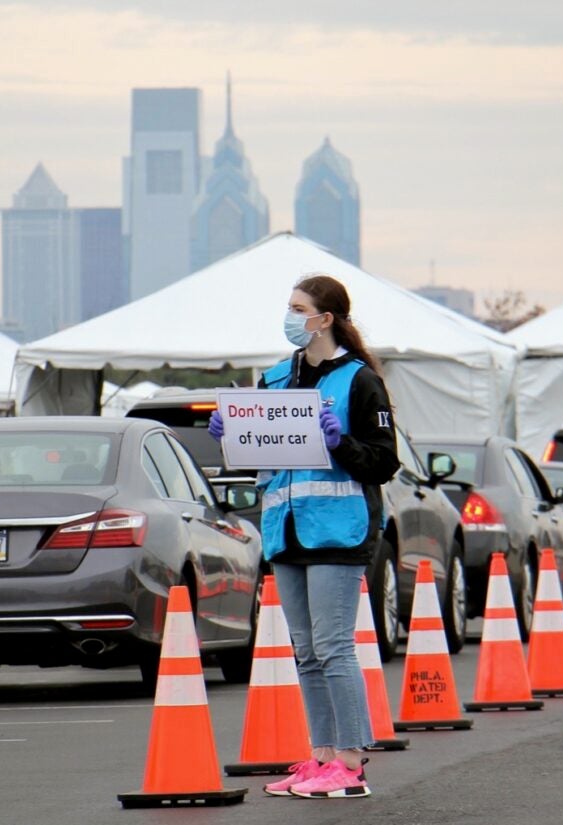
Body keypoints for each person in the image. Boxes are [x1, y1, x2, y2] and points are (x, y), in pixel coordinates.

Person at [208, 274, 398, 799]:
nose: (290, 316)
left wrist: (341, 444)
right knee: (306, 650)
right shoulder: (274, 379)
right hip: (286, 530)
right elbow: (265, 458)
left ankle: (352, 760)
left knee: (334, 647)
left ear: (326, 318)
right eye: (289, 306)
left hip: (338, 530)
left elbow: (384, 462)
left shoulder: (360, 382)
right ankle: (322, 755)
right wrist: (235, 439)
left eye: (298, 308)